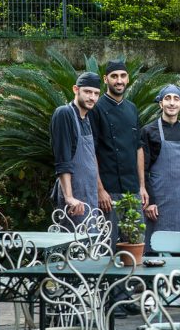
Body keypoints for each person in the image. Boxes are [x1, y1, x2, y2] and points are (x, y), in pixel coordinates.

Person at [88, 60, 148, 243]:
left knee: (136, 244)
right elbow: (91, 151)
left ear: (128, 79)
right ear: (106, 79)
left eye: (122, 76)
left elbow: (138, 148)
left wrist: (142, 186)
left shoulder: (132, 108)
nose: (119, 80)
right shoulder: (96, 108)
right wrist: (99, 190)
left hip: (132, 191)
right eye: (114, 76)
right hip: (109, 191)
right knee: (108, 246)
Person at [142, 84, 180, 252]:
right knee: (155, 247)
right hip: (158, 202)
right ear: (160, 103)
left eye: (176, 99)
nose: (171, 103)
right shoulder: (149, 131)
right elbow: (142, 170)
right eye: (167, 98)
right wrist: (150, 202)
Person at [50, 72, 101, 224]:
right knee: (74, 244)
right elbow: (62, 159)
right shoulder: (64, 114)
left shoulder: (88, 118)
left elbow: (92, 157)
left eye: (96, 93)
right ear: (75, 89)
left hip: (90, 195)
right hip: (74, 198)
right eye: (87, 91)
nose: (92, 97)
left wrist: (99, 190)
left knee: (91, 242)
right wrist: (69, 197)